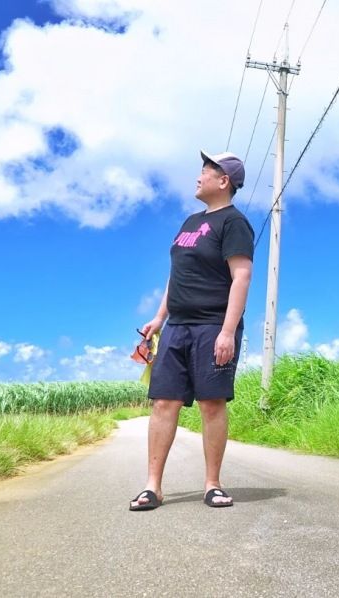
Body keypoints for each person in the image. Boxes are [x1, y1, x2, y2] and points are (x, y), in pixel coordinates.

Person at [130, 150, 254, 511]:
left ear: (223, 181)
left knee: (211, 403)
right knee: (164, 401)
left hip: (212, 326)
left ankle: (212, 484)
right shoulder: (189, 222)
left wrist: (227, 332)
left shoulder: (234, 223)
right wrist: (159, 317)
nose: (198, 177)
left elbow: (241, 276)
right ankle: (152, 486)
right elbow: (177, 274)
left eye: (206, 171)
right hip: (177, 327)